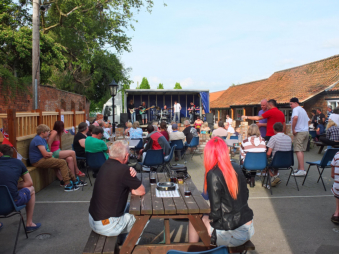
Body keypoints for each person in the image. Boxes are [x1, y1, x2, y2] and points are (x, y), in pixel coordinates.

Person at [188, 137, 254, 247]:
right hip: (248, 228)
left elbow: (216, 213)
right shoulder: (236, 167)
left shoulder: (213, 174)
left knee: (194, 220)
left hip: (231, 234)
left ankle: (193, 250)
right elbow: (246, 195)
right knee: (201, 218)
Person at [88, 141, 146, 239]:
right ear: (126, 156)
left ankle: (122, 238)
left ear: (110, 152)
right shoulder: (124, 170)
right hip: (108, 225)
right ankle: (128, 247)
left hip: (93, 220)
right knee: (143, 216)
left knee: (129, 206)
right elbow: (140, 191)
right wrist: (132, 175)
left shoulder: (104, 165)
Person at [29, 124, 84, 191]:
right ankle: (67, 184)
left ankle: (74, 179)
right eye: (47, 131)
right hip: (38, 161)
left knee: (61, 162)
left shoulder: (42, 139)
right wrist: (50, 154)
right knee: (62, 162)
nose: (49, 133)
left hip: (42, 159)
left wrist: (49, 154)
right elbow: (45, 154)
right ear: (42, 132)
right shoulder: (38, 139)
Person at [0, 144, 41, 233]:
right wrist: (14, 185)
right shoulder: (18, 163)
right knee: (31, 189)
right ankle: (29, 224)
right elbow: (29, 182)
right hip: (12, 204)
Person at [289, 98, 310, 177]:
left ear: (295, 103)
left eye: (291, 104)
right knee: (301, 150)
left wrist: (293, 129)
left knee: (298, 150)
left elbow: (295, 118)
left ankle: (301, 170)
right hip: (305, 131)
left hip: (299, 132)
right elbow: (308, 120)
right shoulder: (303, 110)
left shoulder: (296, 109)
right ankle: (300, 168)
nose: (290, 106)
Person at [330, 151, 339, 225]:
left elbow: (332, 175)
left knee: (337, 195)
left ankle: (337, 213)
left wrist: (333, 174)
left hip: (337, 186)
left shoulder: (337, 154)